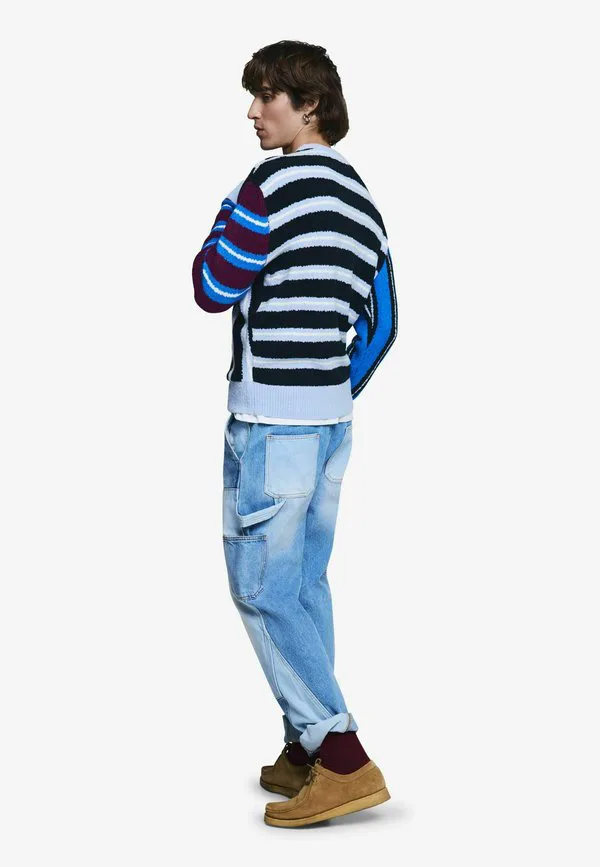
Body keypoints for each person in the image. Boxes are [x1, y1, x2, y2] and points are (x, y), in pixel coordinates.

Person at [192, 40, 398, 827]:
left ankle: (340, 754)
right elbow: (384, 324)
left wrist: (228, 213)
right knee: (304, 586)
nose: (253, 112)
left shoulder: (267, 184)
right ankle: (304, 744)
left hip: (270, 423)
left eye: (267, 95)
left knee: (262, 588)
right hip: (330, 424)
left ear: (309, 104)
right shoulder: (363, 200)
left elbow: (212, 284)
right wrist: (326, 390)